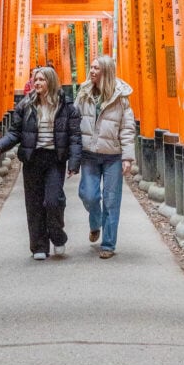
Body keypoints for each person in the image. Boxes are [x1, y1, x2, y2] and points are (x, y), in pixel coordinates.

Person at [0, 66, 81, 260]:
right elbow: (15, 132)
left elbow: (75, 137)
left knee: (53, 201)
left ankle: (58, 236)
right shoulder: (25, 105)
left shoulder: (66, 106)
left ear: (51, 82)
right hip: (32, 159)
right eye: (35, 79)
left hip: (55, 160)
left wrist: (73, 163)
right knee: (34, 203)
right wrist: (0, 146)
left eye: (41, 79)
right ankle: (39, 246)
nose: (37, 83)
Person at [75, 54, 136, 259]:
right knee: (89, 195)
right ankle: (95, 223)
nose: (91, 71)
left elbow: (127, 128)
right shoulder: (83, 93)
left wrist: (127, 157)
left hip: (113, 156)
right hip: (89, 154)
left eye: (96, 68)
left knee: (111, 201)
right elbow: (74, 122)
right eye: (91, 67)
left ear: (106, 71)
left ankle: (108, 244)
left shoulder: (121, 97)